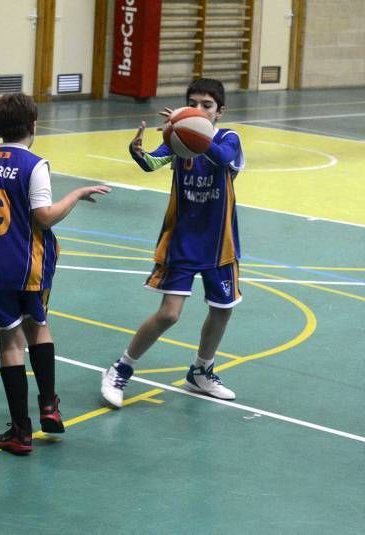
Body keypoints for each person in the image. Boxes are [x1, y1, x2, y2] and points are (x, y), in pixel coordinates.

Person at [0, 93, 111, 455]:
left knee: (9, 344)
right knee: (38, 327)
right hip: (29, 265)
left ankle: (20, 430)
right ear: (33, 126)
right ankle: (49, 405)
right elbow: (43, 217)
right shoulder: (35, 164)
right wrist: (74, 196)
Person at [100, 78, 245, 408]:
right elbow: (153, 163)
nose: (200, 110)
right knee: (169, 314)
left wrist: (191, 127)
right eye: (193, 104)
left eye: (206, 106)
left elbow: (223, 158)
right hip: (183, 240)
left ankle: (201, 371)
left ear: (220, 111)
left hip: (220, 243)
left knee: (222, 310)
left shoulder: (229, 139)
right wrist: (137, 152)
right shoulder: (177, 141)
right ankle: (120, 368)